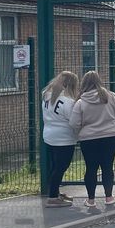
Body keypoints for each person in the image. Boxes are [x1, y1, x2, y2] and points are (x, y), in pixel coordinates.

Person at [69, 70, 115, 207]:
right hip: (110, 136)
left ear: (84, 83)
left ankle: (91, 200)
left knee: (91, 168)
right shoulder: (110, 96)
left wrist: (81, 131)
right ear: (99, 81)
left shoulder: (80, 102)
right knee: (107, 167)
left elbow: (73, 123)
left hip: (88, 139)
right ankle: (109, 197)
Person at [42, 71, 80, 208]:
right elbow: (74, 121)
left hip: (49, 135)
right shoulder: (68, 102)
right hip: (64, 138)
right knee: (61, 167)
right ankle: (53, 197)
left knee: (54, 166)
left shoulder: (46, 96)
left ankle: (55, 192)